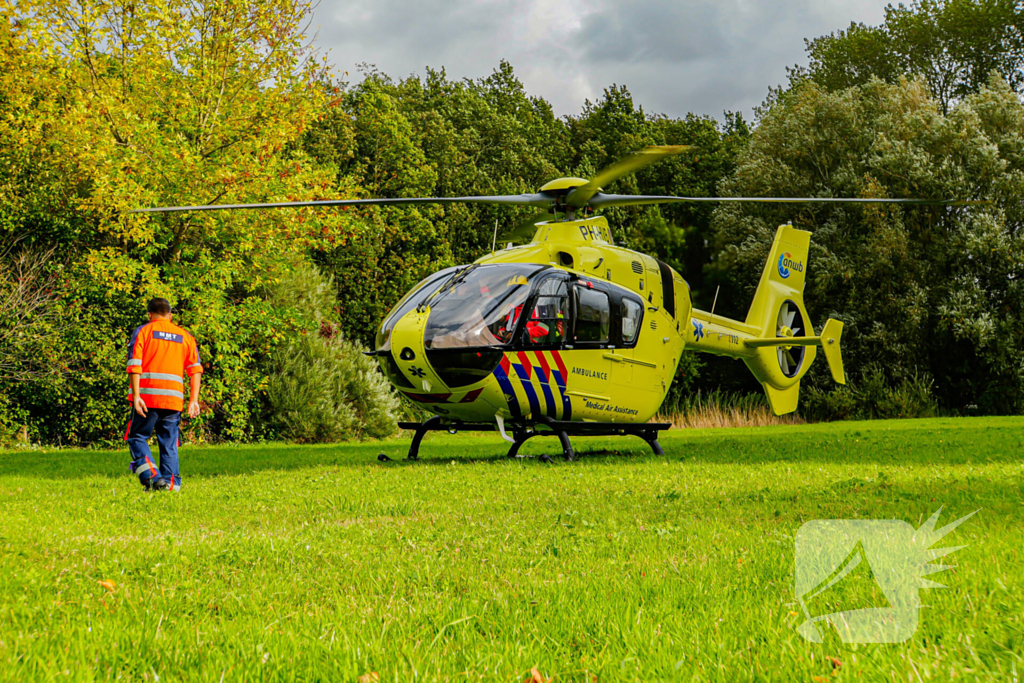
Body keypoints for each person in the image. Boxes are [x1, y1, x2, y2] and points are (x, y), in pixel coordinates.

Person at [124, 298, 202, 491]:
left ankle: (152, 477)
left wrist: (136, 396)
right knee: (169, 442)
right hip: (173, 399)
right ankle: (171, 484)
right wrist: (193, 400)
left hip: (148, 397)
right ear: (170, 315)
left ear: (149, 315)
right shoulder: (185, 336)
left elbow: (134, 365)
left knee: (137, 437)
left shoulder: (143, 331)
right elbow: (195, 370)